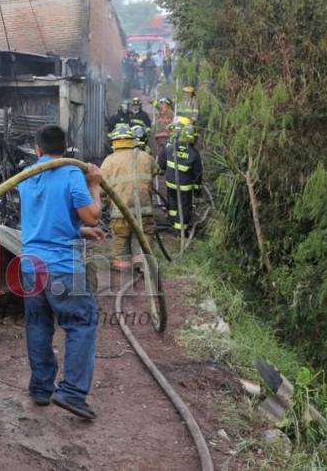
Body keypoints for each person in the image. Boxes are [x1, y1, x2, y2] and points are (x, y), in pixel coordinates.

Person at [17, 125, 104, 419]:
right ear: (65, 148)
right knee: (82, 321)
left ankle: (41, 388)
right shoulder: (71, 174)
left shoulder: (26, 178)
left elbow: (43, 220)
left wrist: (79, 231)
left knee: (38, 324)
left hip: (31, 266)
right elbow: (92, 213)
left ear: (37, 149)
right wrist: (94, 184)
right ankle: (72, 393)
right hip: (63, 267)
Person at [101, 124, 160, 270]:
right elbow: (156, 172)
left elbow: (101, 189)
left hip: (119, 213)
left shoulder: (109, 161)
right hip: (145, 211)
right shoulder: (146, 157)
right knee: (145, 238)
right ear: (133, 140)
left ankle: (122, 268)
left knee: (121, 240)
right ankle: (143, 266)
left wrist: (101, 207)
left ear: (114, 142)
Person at [158, 119, 202, 234]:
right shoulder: (194, 153)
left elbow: (162, 161)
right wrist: (197, 190)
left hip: (170, 183)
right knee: (184, 207)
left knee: (172, 203)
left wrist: (163, 170)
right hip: (184, 187)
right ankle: (180, 230)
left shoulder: (171, 146)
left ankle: (172, 221)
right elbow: (197, 174)